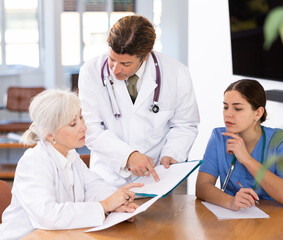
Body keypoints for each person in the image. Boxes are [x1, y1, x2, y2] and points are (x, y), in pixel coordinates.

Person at [0, 89, 142, 240]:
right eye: (73, 124)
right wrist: (104, 205)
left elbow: (92, 186)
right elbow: (48, 215)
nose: (84, 127)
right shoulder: (34, 162)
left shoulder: (70, 155)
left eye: (81, 117)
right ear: (50, 134)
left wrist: (118, 202)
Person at [78, 15, 200, 187]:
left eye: (125, 64)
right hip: (108, 179)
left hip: (157, 176)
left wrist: (172, 154)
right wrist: (127, 156)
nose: (115, 69)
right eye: (112, 59)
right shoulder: (90, 72)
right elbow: (90, 128)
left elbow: (185, 124)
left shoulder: (176, 73)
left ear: (145, 56)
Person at [195, 79, 283, 211]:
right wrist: (230, 202)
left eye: (238, 108)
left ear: (258, 113)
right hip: (236, 221)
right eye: (225, 107)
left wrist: (246, 159)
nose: (228, 114)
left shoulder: (282, 141)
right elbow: (202, 187)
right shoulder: (219, 137)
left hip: (278, 221)